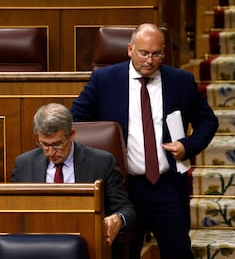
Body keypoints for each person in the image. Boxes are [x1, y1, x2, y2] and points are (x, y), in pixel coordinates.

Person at [71, 23, 219, 259]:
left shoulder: (181, 81)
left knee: (179, 252)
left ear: (164, 53)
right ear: (130, 49)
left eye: (156, 54)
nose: (150, 60)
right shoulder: (104, 80)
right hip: (124, 188)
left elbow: (208, 122)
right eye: (144, 53)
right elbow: (75, 122)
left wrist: (187, 146)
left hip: (167, 185)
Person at [11, 102, 136, 258]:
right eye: (44, 144)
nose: (50, 152)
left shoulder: (101, 162)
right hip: (38, 244)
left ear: (71, 135)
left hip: (85, 245)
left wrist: (118, 219)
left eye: (57, 144)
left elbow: (127, 211)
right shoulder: (24, 164)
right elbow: (13, 214)